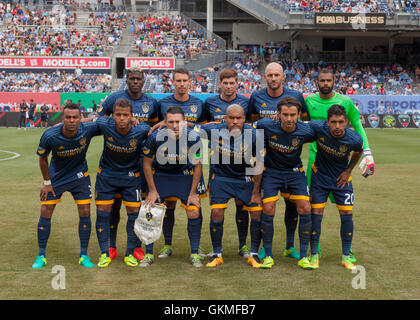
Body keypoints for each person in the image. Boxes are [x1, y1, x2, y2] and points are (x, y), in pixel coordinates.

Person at [305, 68, 374, 262]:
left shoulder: (345, 102)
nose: (325, 84)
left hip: (340, 166)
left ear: (334, 81)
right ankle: (314, 250)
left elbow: (358, 125)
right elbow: (299, 124)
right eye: (322, 81)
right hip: (315, 163)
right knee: (315, 210)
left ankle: (346, 252)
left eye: (329, 80)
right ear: (316, 82)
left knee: (345, 211)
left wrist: (367, 152)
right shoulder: (309, 101)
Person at [248, 61, 309, 261]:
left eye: (277, 75)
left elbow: (305, 122)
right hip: (269, 164)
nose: (273, 78)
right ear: (264, 77)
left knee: (293, 205)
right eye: (269, 75)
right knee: (268, 207)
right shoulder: (256, 97)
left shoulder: (297, 96)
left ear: (283, 77)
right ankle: (266, 249)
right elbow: (250, 123)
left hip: (292, 163)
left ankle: (290, 246)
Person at [97, 67, 159, 262]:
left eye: (138, 79)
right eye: (131, 78)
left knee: (139, 208)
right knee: (113, 207)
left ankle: (136, 247)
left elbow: (154, 129)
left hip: (140, 163)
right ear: (126, 79)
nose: (134, 81)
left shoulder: (151, 102)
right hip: (115, 162)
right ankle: (112, 246)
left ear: (143, 81)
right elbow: (98, 118)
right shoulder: (113, 98)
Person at [32, 102, 101, 269]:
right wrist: (47, 183)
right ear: (62, 118)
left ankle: (83, 255)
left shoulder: (88, 130)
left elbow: (106, 121)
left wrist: (134, 120)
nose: (71, 120)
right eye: (68, 117)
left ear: (80, 119)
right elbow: (42, 158)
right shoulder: (50, 135)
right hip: (56, 177)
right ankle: (41, 255)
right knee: (45, 210)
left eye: (75, 117)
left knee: (85, 211)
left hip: (79, 176)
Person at [197, 104, 264, 268]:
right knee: (216, 212)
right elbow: (188, 127)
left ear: (244, 119)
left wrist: (256, 192)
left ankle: (254, 254)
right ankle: (217, 253)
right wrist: (161, 124)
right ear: (225, 118)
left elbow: (259, 164)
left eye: (239, 118)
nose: (235, 121)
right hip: (221, 178)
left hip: (245, 178)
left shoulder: (254, 135)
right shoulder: (215, 130)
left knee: (256, 213)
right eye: (231, 118)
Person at [253, 97, 316, 269]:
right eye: (285, 115)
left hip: (295, 173)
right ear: (278, 114)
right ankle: (267, 254)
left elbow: (326, 130)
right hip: (272, 173)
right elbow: (250, 131)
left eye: (293, 115)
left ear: (299, 115)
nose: (289, 119)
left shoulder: (307, 130)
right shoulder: (265, 125)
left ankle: (302, 255)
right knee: (268, 207)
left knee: (304, 207)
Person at [152, 68, 207, 259]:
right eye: (178, 80)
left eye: (185, 80)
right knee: (168, 206)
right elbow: (154, 127)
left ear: (190, 81)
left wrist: (189, 126)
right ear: (172, 82)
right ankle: (167, 245)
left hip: (191, 163)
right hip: (166, 163)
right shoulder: (162, 103)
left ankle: (196, 246)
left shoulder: (199, 104)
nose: (182, 84)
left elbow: (206, 128)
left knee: (195, 206)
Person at [142, 106, 206, 267]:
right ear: (165, 122)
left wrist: (193, 193)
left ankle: (195, 253)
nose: (175, 126)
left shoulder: (193, 138)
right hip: (161, 176)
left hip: (184, 176)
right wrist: (152, 190)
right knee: (152, 210)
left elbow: (198, 166)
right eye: (171, 122)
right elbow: (147, 163)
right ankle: (150, 253)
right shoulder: (155, 137)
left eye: (178, 122)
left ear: (184, 122)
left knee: (193, 211)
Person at [94, 98, 150, 268]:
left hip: (131, 178)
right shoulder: (105, 124)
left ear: (132, 116)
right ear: (113, 116)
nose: (122, 118)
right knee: (103, 212)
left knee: (134, 213)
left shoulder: (142, 129)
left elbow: (154, 131)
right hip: (107, 176)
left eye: (125, 115)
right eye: (118, 114)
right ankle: (105, 253)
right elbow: (92, 121)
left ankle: (129, 253)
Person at [203, 68, 252, 259]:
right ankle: (217, 251)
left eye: (232, 83)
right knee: (217, 208)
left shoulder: (246, 102)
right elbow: (205, 127)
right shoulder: (210, 103)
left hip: (243, 162)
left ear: (237, 83)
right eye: (226, 83)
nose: (229, 86)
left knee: (242, 205)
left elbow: (253, 125)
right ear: (220, 84)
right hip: (219, 163)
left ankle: (243, 246)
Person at [308, 104, 363, 270]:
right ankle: (314, 256)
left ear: (346, 121)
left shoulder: (354, 139)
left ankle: (346, 256)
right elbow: (297, 125)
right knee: (316, 213)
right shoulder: (318, 127)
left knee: (347, 214)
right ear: (327, 122)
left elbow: (358, 152)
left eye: (340, 122)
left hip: (342, 181)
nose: (337, 126)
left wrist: (348, 170)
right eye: (333, 122)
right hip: (320, 179)